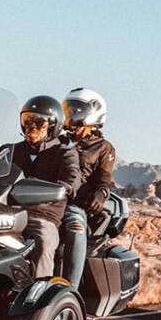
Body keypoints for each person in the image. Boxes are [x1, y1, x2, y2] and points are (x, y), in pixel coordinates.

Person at [10, 95, 81, 279]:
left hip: (42, 216)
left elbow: (72, 178)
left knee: (43, 244)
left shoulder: (64, 153)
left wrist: (62, 188)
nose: (31, 126)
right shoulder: (11, 150)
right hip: (8, 211)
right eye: (27, 120)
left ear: (53, 126)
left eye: (38, 122)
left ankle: (40, 299)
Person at [60, 88, 116, 287]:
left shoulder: (103, 147)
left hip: (74, 203)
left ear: (93, 112)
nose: (71, 114)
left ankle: (69, 290)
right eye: (69, 109)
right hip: (45, 197)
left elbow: (104, 178)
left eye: (76, 109)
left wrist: (101, 195)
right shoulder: (58, 140)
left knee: (76, 225)